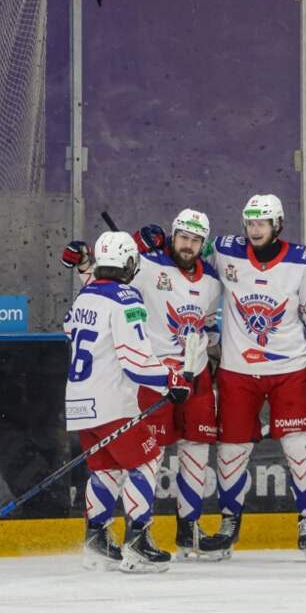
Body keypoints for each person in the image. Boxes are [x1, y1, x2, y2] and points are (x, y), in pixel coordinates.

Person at [62, 209, 226, 560]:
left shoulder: (86, 297)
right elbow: (135, 357)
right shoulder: (137, 281)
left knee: (115, 466)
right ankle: (138, 539)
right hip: (139, 387)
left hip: (91, 399)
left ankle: (102, 538)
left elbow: (79, 319)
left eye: (195, 240)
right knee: (147, 459)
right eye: (183, 237)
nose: (188, 244)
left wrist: (84, 267)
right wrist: (169, 378)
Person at [203, 193, 306, 561]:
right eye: (250, 223)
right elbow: (186, 251)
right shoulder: (225, 250)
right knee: (231, 450)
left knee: (299, 446)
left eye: (261, 223)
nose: (254, 229)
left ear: (277, 224)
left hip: (289, 369)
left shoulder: (304, 261)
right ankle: (229, 522)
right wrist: (149, 246)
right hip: (237, 370)